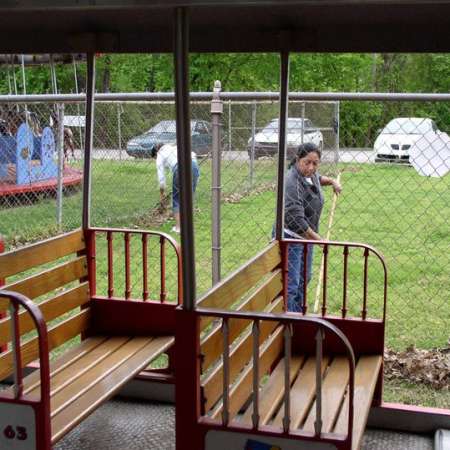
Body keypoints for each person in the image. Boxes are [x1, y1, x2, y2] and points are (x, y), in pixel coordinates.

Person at [283, 142, 342, 312]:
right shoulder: (292, 182)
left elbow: (317, 178)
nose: (311, 167)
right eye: (307, 162)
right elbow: (297, 222)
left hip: (306, 238)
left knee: (305, 278)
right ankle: (290, 322)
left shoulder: (311, 174)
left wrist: (332, 181)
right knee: (292, 283)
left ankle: (299, 314)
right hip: (292, 238)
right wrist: (321, 241)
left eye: (315, 163)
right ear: (297, 160)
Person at [152, 142, 200, 233]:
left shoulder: (160, 154)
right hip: (194, 165)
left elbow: (161, 177)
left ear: (156, 152)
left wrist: (162, 193)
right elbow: (193, 155)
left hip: (179, 167)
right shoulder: (175, 148)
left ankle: (178, 228)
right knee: (189, 199)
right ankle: (190, 228)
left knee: (177, 199)